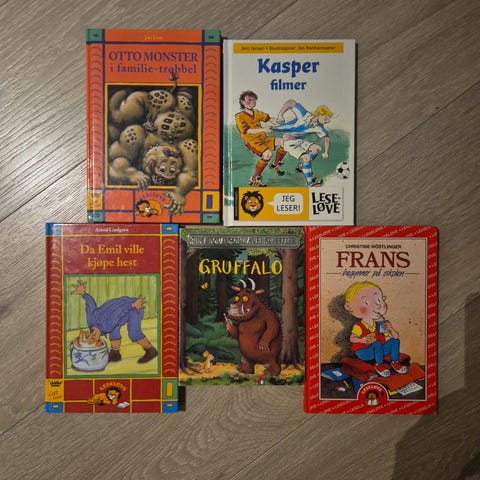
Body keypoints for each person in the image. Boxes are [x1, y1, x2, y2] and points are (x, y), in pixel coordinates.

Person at [71, 280, 158, 364]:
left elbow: (91, 305)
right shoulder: (104, 326)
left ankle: (151, 350)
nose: (92, 335)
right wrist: (84, 293)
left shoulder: (94, 321)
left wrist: (84, 294)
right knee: (114, 331)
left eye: (90, 336)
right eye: (93, 339)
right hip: (124, 307)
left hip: (134, 306)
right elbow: (113, 313)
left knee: (134, 332)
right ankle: (115, 353)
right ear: (98, 340)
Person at [344, 281, 408, 378]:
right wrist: (362, 340)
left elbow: (396, 337)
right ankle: (379, 365)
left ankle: (395, 362)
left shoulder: (380, 325)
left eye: (378, 300)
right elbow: (352, 338)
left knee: (395, 341)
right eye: (366, 302)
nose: (377, 306)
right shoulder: (359, 326)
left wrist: (391, 329)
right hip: (364, 352)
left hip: (379, 351)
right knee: (377, 343)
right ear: (349, 306)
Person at [274, 99, 333, 187]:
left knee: (317, 149)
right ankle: (309, 183)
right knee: (306, 158)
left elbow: (327, 138)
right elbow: (291, 102)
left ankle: (302, 166)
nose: (327, 121)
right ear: (320, 114)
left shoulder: (319, 127)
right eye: (326, 118)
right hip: (289, 143)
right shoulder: (305, 115)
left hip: (299, 141)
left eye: (329, 119)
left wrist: (326, 152)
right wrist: (280, 115)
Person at [235, 90, 286, 186]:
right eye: (249, 100)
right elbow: (248, 131)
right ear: (242, 102)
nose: (252, 102)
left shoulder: (256, 112)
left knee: (284, 142)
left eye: (253, 100)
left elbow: (269, 119)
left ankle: (275, 164)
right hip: (252, 141)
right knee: (267, 155)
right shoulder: (239, 116)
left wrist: (279, 122)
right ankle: (254, 178)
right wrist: (264, 129)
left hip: (263, 138)